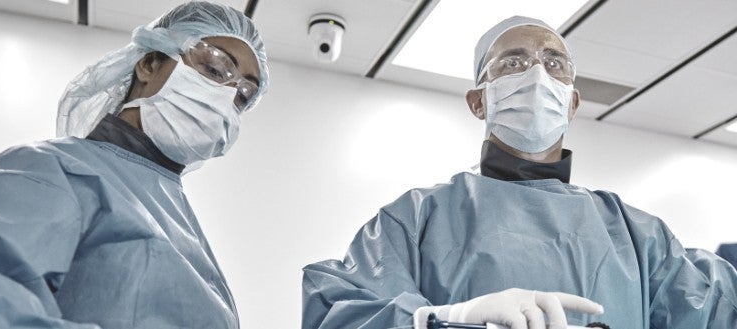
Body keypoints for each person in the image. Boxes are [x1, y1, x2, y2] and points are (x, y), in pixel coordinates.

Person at [300, 16, 737, 329]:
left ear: (571, 101)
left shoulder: (639, 238)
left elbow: (717, 305)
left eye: (554, 64)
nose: (536, 76)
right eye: (512, 63)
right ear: (478, 101)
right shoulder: (415, 219)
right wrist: (439, 320)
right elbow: (339, 310)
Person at [0, 2, 269, 328]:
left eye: (243, 96)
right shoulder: (48, 172)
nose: (226, 98)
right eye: (215, 69)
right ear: (149, 63)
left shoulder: (185, 230)